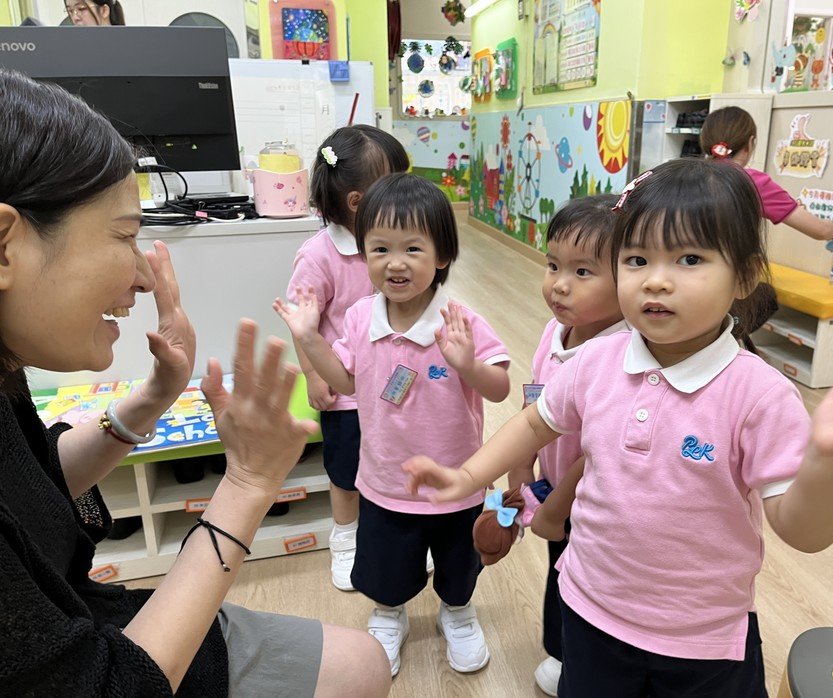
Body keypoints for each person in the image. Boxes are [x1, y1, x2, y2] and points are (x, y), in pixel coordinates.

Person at [405, 158, 833, 697]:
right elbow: (535, 423)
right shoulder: (596, 360)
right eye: (637, 259)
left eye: (690, 259)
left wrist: (828, 459)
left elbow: (806, 533)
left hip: (702, 641)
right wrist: (468, 476)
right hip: (590, 610)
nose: (656, 280)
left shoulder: (759, 394)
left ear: (746, 275)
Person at [0, 69, 390, 696]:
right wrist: (248, 484)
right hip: (108, 666)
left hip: (84, 615)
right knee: (361, 664)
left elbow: (35, 481)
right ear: (4, 247)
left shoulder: (7, 380)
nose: (142, 276)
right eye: (126, 236)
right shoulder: (316, 255)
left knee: (361, 660)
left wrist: (158, 391)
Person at [275, 173, 511, 678]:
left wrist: (468, 365)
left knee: (459, 563)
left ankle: (458, 612)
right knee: (386, 565)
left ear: (442, 255)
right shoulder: (361, 318)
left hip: (457, 482)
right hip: (385, 479)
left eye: (412, 248)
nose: (395, 263)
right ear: (363, 254)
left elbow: (500, 389)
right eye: (380, 248)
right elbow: (345, 381)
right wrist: (310, 340)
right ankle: (388, 614)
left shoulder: (459, 320)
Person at [505, 194, 627, 696]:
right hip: (554, 489)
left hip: (597, 504)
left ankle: (589, 662)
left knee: (590, 586)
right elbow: (534, 399)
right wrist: (520, 469)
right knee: (559, 574)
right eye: (553, 264)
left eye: (582, 272)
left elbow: (598, 451)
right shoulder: (556, 332)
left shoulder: (621, 354)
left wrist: (555, 508)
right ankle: (563, 653)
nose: (558, 283)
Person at [287, 125, 409, 592]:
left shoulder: (395, 242)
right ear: (358, 202)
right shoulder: (319, 256)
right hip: (345, 392)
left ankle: (394, 534)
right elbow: (303, 322)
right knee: (346, 474)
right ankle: (345, 539)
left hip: (394, 385)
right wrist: (313, 374)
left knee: (395, 461)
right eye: (395, 183)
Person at [700, 106, 833, 249]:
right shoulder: (752, 182)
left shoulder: (690, 174)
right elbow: (821, 230)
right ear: (750, 143)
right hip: (726, 265)